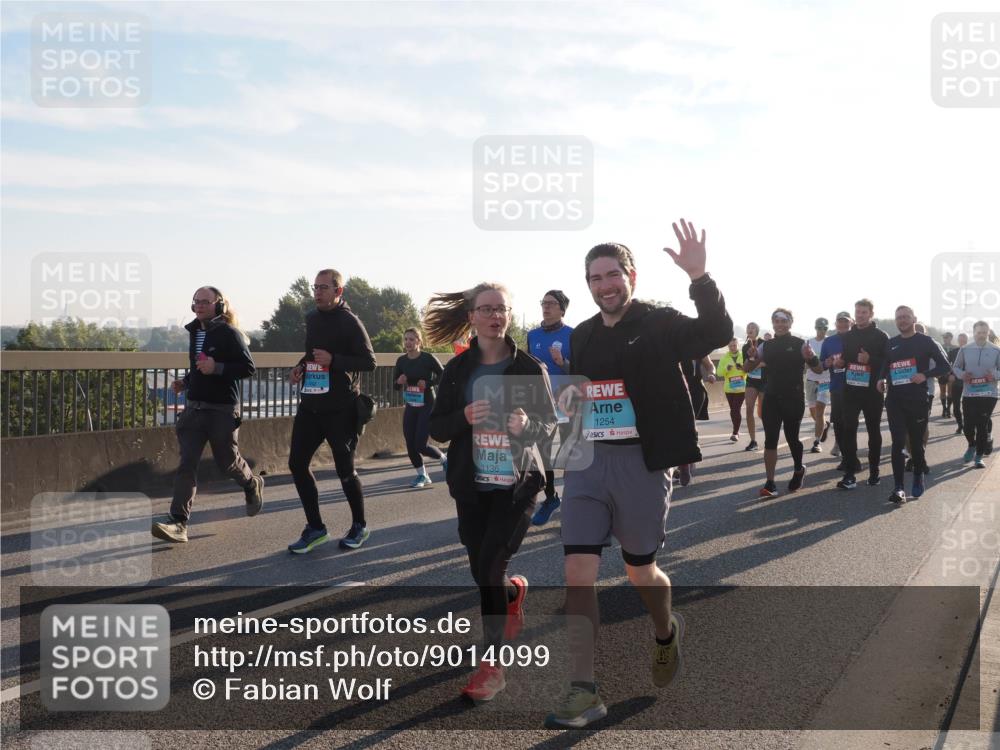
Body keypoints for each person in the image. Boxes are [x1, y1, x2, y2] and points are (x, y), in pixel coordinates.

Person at [545, 219, 732, 729]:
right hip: (588, 464)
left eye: (612, 274)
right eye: (595, 278)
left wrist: (700, 277)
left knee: (639, 571)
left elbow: (716, 333)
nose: (605, 285)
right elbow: (581, 399)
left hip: (641, 464)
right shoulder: (581, 335)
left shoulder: (660, 323)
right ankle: (583, 689)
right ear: (588, 285)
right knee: (577, 572)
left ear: (631, 276)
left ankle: (665, 629)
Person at [425, 282, 556, 703]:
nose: (495, 316)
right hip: (471, 483)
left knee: (489, 567)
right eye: (486, 309)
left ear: (509, 316)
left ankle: (493, 665)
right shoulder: (458, 371)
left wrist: (528, 427)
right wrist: (463, 416)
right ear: (472, 318)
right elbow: (437, 429)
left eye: (502, 309)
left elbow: (551, 427)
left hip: (517, 486)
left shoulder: (530, 369)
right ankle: (512, 594)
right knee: (482, 570)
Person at [152, 287, 264, 544]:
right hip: (194, 409)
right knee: (186, 464)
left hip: (222, 409)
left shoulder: (230, 333)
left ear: (219, 305)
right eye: (196, 302)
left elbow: (248, 368)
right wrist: (186, 381)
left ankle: (250, 484)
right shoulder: (196, 332)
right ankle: (178, 522)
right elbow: (200, 365)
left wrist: (218, 367)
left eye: (205, 301)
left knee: (227, 463)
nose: (199, 305)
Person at [286, 269, 377, 554]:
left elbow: (369, 361)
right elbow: (312, 352)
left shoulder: (350, 321)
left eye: (323, 287)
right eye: (315, 287)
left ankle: (359, 525)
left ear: (339, 291)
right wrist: (300, 367)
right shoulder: (312, 319)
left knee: (345, 471)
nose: (317, 292)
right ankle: (315, 528)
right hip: (311, 405)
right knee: (297, 464)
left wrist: (335, 360)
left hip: (341, 409)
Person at [746, 309, 823, 498]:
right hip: (771, 398)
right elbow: (747, 369)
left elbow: (819, 369)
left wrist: (810, 357)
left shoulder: (799, 344)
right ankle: (770, 482)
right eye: (776, 321)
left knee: (792, 438)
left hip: (793, 398)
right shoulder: (766, 346)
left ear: (790, 323)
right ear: (772, 323)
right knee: (770, 440)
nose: (779, 324)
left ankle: (798, 469)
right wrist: (751, 356)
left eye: (783, 320)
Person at [877, 306, 950, 503]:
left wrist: (924, 375)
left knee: (916, 444)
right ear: (896, 321)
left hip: (917, 399)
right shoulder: (891, 343)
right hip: (894, 400)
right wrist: (880, 379)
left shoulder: (926, 341)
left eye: (906, 317)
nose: (902, 320)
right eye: (899, 318)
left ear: (914, 319)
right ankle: (899, 488)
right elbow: (886, 365)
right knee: (898, 442)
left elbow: (945, 366)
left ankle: (918, 474)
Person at [527, 290, 574, 526]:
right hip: (541, 403)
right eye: (543, 303)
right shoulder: (532, 335)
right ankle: (551, 498)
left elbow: (581, 371)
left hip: (567, 403)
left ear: (562, 309)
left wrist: (561, 363)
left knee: (569, 453)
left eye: (551, 304)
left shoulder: (573, 335)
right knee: (542, 453)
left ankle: (575, 503)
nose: (546, 307)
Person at [836, 299, 889, 490]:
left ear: (871, 314)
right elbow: (845, 358)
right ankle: (850, 473)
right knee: (848, 428)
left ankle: (874, 472)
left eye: (864, 312)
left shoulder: (881, 336)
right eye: (857, 312)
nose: (860, 315)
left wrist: (870, 360)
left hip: (872, 391)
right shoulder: (847, 336)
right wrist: (840, 362)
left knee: (873, 429)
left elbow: (887, 362)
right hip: (851, 389)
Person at [393, 327, 446, 488]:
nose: (408, 342)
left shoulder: (428, 358)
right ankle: (422, 475)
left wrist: (429, 383)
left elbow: (443, 375)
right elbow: (395, 386)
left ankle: (444, 459)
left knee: (420, 445)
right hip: (411, 404)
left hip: (427, 404)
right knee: (410, 443)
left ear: (419, 342)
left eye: (411, 339)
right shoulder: (401, 361)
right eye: (406, 339)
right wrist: (399, 381)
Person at [952, 320, 1000, 469]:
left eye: (984, 332)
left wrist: (995, 375)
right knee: (968, 426)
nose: (981, 335)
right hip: (970, 393)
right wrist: (962, 375)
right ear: (973, 333)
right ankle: (971, 445)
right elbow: (956, 367)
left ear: (988, 333)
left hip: (989, 393)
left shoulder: (996, 350)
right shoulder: (965, 349)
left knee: (982, 425)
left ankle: (978, 457)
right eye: (979, 332)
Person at [820, 311, 852, 464]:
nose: (843, 325)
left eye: (846, 322)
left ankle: (850, 456)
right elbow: (821, 365)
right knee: (838, 422)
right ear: (836, 324)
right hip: (837, 386)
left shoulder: (857, 338)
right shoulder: (829, 342)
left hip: (856, 386)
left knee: (849, 421)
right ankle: (843, 451)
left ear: (851, 323)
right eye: (840, 322)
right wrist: (827, 363)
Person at [676, 355, 715, 486]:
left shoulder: (698, 346)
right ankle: (686, 458)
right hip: (676, 390)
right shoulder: (670, 343)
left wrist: (711, 374)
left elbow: (710, 365)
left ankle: (685, 463)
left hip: (696, 390)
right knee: (677, 427)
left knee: (688, 424)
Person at [805, 317, 832, 453]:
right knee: (813, 413)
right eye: (819, 328)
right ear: (815, 328)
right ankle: (825, 426)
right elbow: (804, 361)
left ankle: (816, 442)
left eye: (824, 328)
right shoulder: (808, 342)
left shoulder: (830, 342)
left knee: (820, 411)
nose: (822, 331)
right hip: (810, 380)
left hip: (825, 381)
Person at [716, 337, 746, 442]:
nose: (733, 347)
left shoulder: (743, 355)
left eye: (734, 345)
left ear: (738, 345)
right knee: (733, 411)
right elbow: (719, 373)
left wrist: (742, 368)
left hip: (741, 388)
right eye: (730, 346)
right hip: (729, 389)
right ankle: (735, 430)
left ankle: (735, 433)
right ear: (728, 346)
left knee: (735, 409)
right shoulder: (724, 358)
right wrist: (726, 369)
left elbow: (750, 369)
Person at [741, 322, 765, 451]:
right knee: (749, 409)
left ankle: (770, 437)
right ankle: (753, 441)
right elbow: (745, 368)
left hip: (764, 381)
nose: (750, 329)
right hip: (751, 381)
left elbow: (766, 363)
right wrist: (754, 363)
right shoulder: (745, 347)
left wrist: (754, 364)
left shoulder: (763, 343)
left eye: (752, 327)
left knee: (763, 413)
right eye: (748, 327)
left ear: (757, 330)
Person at [948, 332, 968, 435]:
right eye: (960, 340)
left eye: (964, 340)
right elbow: (948, 366)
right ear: (958, 341)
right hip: (956, 382)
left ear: (967, 341)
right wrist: (950, 374)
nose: (962, 342)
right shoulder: (952, 352)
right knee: (956, 407)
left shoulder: (971, 352)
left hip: (969, 383)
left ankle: (968, 424)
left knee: (967, 406)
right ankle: (960, 425)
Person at [939, 332, 958, 418]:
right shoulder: (939, 347)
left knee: (950, 392)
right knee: (942, 391)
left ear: (951, 338)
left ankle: (948, 409)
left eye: (946, 337)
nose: (945, 339)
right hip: (942, 373)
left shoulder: (955, 348)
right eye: (944, 337)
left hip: (951, 372)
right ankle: (944, 408)